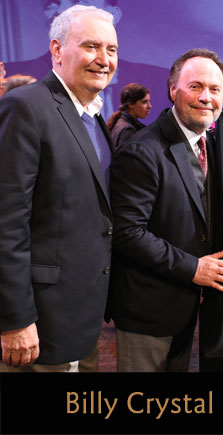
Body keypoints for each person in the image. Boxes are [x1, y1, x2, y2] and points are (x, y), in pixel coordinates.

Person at [0, 5, 117, 372]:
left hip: (81, 318)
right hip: (37, 325)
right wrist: (15, 320)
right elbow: (7, 223)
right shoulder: (25, 108)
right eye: (91, 46)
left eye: (111, 49)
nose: (104, 59)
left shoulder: (92, 116)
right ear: (56, 50)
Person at [109, 49, 223, 372]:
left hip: (189, 310)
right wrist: (194, 268)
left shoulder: (216, 145)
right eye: (195, 87)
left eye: (215, 89)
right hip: (148, 312)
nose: (206, 97)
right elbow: (127, 233)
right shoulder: (141, 150)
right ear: (172, 90)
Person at [107, 83, 150, 151]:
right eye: (144, 102)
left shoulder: (120, 123)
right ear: (131, 104)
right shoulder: (128, 130)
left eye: (149, 101)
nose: (149, 106)